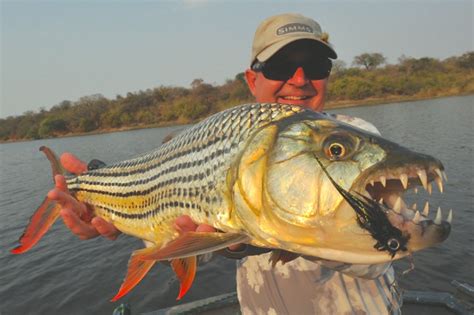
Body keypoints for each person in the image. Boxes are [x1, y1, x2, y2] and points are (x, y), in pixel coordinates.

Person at [49, 13, 402, 314]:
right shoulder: (216, 138)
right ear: (252, 79)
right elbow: (192, 243)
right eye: (281, 66)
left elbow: (387, 247)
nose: (299, 79)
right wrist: (115, 211)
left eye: (315, 65)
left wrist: (251, 240)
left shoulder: (355, 140)